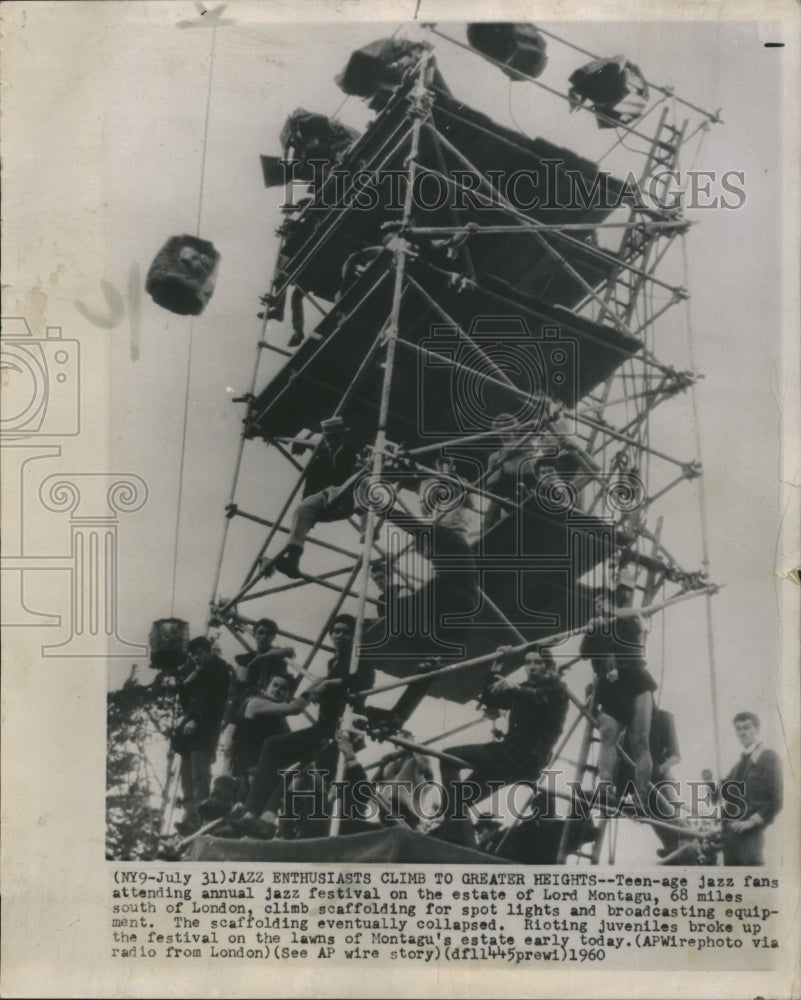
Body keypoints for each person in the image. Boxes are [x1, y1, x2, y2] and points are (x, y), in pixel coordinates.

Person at [231, 613, 374, 837]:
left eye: (346, 632)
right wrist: (321, 684)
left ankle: (269, 817)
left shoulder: (358, 659)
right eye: (336, 631)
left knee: (289, 758)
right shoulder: (333, 661)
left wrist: (328, 683)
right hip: (322, 727)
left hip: (338, 729)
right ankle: (256, 814)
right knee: (276, 749)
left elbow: (366, 679)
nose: (340, 635)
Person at [435, 645, 568, 848]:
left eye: (538, 663)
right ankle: (462, 840)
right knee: (458, 800)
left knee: (447, 757)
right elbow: (491, 697)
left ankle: (453, 831)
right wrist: (498, 665)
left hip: (522, 758)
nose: (531, 667)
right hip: (507, 760)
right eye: (528, 663)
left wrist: (515, 688)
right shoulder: (525, 688)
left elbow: (539, 698)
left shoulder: (557, 691)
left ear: (549, 667)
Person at [579, 576, 656, 809]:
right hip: (611, 687)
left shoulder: (628, 619)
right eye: (596, 602)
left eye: (603, 600)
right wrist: (592, 630)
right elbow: (584, 653)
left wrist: (613, 612)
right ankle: (605, 786)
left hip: (635, 678)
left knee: (640, 740)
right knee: (608, 734)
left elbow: (637, 621)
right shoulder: (597, 627)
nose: (599, 604)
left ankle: (641, 797)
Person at [264, 416, 363, 579]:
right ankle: (293, 561)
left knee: (303, 510)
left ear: (341, 437)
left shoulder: (348, 453)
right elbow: (312, 444)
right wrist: (297, 440)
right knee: (301, 518)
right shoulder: (323, 450)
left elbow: (350, 472)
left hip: (340, 501)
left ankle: (293, 559)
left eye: (334, 439)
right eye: (328, 439)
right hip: (322, 505)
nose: (331, 443)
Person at [171, 637, 230, 834]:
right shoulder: (197, 672)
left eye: (200, 652)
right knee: (187, 778)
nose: (197, 657)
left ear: (209, 651)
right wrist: (189, 680)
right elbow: (187, 702)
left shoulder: (218, 668)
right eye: (193, 654)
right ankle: (189, 817)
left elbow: (215, 700)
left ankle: (199, 818)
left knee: (199, 775)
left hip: (204, 728)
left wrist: (197, 719)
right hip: (189, 730)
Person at [719, 712, 782, 866]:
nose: (742, 732)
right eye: (738, 729)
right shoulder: (739, 764)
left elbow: (778, 799)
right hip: (730, 840)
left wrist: (751, 822)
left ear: (757, 729)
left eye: (746, 727)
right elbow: (722, 789)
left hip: (750, 840)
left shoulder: (768, 756)